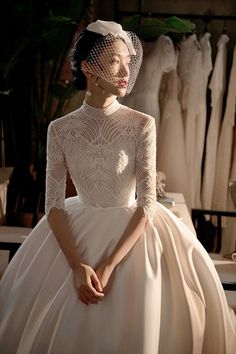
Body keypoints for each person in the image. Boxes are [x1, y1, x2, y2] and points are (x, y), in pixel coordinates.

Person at [0, 20, 235, 354]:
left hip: (134, 234)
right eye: (115, 61)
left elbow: (147, 204)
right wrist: (78, 265)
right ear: (88, 68)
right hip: (74, 230)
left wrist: (108, 266)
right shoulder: (60, 129)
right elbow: (53, 205)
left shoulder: (142, 124)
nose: (127, 69)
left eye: (128, 60)